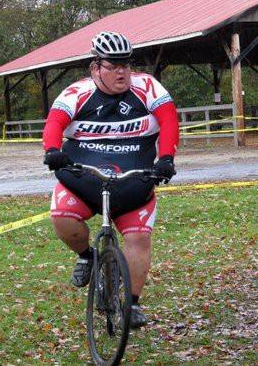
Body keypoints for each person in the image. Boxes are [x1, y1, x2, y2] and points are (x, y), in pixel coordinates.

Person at [42, 31, 179, 328]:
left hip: (134, 176)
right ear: (95, 68)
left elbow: (169, 119)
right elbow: (55, 122)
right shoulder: (76, 92)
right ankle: (86, 256)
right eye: (113, 65)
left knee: (139, 238)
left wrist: (166, 158)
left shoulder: (147, 86)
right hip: (83, 175)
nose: (121, 71)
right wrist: (52, 150)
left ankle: (132, 304)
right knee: (62, 219)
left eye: (126, 64)